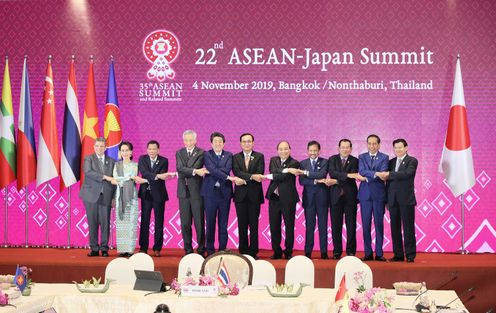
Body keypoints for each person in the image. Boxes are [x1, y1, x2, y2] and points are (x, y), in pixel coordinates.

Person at [377, 139, 418, 263]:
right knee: (395, 229)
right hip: (392, 200)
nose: (398, 150)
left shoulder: (412, 160)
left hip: (406, 200)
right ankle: (398, 254)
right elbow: (386, 179)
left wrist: (389, 174)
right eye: (396, 148)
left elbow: (407, 174)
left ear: (406, 148)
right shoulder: (391, 162)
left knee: (408, 228)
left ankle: (410, 255)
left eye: (400, 147)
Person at [265, 141, 303, 260]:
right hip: (274, 197)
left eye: (286, 149)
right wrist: (286, 170)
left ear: (290, 150)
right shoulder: (273, 160)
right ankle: (276, 251)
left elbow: (281, 176)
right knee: (274, 226)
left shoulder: (295, 163)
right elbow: (273, 171)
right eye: (281, 149)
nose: (283, 151)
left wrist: (276, 174)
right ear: (277, 151)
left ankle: (288, 251)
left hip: (288, 199)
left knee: (289, 226)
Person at [79, 137, 116, 257]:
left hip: (106, 195)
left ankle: (104, 248)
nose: (99, 148)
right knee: (92, 222)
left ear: (105, 148)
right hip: (90, 196)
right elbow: (88, 172)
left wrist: (114, 197)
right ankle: (94, 248)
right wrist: (105, 177)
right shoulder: (88, 159)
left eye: (101, 146)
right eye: (97, 146)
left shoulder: (112, 161)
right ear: (94, 147)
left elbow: (114, 180)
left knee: (105, 223)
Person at [201, 132, 236, 256]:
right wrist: (226, 176)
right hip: (210, 193)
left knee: (223, 222)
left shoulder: (229, 155)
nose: (218, 143)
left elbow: (226, 169)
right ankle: (209, 249)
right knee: (210, 222)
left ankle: (222, 248)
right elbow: (210, 168)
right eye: (215, 141)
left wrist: (214, 171)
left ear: (224, 143)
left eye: (220, 141)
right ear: (211, 143)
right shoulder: (206, 154)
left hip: (224, 194)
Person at [232, 133, 265, 259]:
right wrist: (251, 177)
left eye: (249, 141)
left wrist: (245, 179)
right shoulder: (236, 157)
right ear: (240, 143)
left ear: (253, 143)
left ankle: (253, 251)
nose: (247, 143)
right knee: (242, 224)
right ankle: (243, 251)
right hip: (240, 196)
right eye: (244, 141)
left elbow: (259, 172)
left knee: (254, 224)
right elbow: (237, 172)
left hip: (254, 196)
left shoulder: (259, 156)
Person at [138, 140, 174, 257]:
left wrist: (149, 178)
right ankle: (143, 247)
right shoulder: (142, 159)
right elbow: (144, 172)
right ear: (147, 150)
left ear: (158, 150)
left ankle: (157, 248)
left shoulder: (164, 160)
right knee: (144, 221)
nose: (152, 151)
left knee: (159, 222)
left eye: (154, 149)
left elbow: (155, 175)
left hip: (159, 195)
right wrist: (157, 176)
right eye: (150, 149)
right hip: (146, 194)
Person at [111, 141, 146, 257]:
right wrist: (128, 177)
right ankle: (122, 250)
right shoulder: (117, 165)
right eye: (122, 150)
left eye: (127, 150)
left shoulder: (135, 165)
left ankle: (130, 250)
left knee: (131, 223)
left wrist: (125, 178)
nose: (125, 153)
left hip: (131, 197)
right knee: (121, 223)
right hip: (120, 196)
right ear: (120, 152)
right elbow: (116, 178)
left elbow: (133, 177)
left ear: (131, 152)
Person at [357, 134, 389, 261]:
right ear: (367, 144)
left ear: (379, 145)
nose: (372, 146)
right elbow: (362, 171)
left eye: (374, 143)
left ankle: (379, 253)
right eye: (369, 143)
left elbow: (384, 171)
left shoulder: (384, 157)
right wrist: (376, 173)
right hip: (365, 195)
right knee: (365, 225)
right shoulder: (362, 157)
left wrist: (367, 176)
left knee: (379, 224)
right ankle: (368, 252)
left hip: (379, 195)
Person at [328, 139, 361, 259]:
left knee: (351, 226)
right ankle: (337, 251)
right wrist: (347, 175)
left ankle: (351, 251)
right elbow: (332, 172)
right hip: (335, 197)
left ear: (351, 149)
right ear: (338, 148)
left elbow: (354, 175)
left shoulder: (355, 161)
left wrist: (339, 178)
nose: (345, 149)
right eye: (342, 147)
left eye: (347, 147)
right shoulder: (332, 159)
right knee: (335, 225)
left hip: (350, 197)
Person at [176, 130, 207, 256]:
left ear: (195, 140)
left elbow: (185, 168)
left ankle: (201, 249)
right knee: (185, 223)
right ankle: (187, 249)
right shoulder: (179, 152)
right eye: (186, 140)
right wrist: (195, 171)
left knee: (199, 222)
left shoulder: (201, 152)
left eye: (190, 140)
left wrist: (186, 169)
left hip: (197, 192)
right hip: (183, 191)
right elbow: (179, 168)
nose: (188, 142)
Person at [299, 140, 330, 259]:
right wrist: (315, 180)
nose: (313, 152)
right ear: (307, 151)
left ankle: (324, 252)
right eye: (311, 150)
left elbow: (322, 174)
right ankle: (308, 252)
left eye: (315, 150)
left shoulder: (325, 162)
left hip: (322, 197)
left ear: (319, 151)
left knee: (323, 226)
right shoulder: (302, 163)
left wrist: (307, 173)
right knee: (309, 226)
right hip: (309, 198)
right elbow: (302, 181)